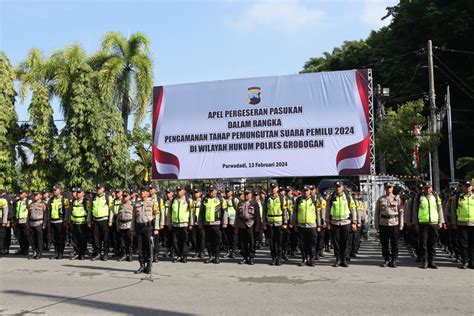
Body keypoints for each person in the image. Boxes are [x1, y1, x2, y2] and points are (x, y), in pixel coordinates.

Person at [325, 181, 358, 268]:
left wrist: (354, 222)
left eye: (339, 186)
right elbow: (327, 210)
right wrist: (327, 222)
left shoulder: (348, 197)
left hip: (345, 222)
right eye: (336, 187)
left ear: (343, 187)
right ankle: (337, 259)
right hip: (334, 222)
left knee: (345, 242)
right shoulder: (331, 197)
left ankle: (344, 260)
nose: (338, 188)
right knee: (336, 243)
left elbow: (353, 209)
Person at [412, 181, 444, 269]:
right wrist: (415, 223)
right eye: (425, 188)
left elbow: (439, 209)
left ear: (431, 188)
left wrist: (441, 221)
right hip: (423, 223)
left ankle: (432, 261)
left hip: (433, 222)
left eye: (429, 188)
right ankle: (425, 261)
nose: (427, 189)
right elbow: (415, 211)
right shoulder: (419, 197)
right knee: (423, 243)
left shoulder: (435, 196)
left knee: (433, 243)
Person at [374, 182, 404, 268]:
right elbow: (377, 212)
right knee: (384, 243)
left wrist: (401, 224)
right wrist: (377, 224)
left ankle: (393, 260)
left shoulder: (397, 199)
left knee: (394, 243)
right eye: (387, 187)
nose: (388, 189)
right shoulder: (380, 199)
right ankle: (386, 259)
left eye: (390, 187)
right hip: (383, 223)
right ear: (384, 188)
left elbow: (401, 212)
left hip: (394, 222)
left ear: (392, 188)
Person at [198, 185, 227, 264]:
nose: (210, 192)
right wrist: (200, 223)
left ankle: (217, 257)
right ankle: (210, 256)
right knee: (208, 241)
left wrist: (224, 223)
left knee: (217, 241)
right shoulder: (204, 199)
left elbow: (225, 212)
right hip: (207, 224)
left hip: (217, 224)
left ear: (216, 191)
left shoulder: (221, 199)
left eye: (212, 190)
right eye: (209, 190)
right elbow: (201, 212)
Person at [292, 185, 320, 267]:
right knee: (303, 244)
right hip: (301, 225)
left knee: (312, 243)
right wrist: (295, 224)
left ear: (310, 191)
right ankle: (304, 259)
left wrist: (319, 225)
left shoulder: (314, 200)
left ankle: (311, 260)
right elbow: (295, 212)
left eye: (307, 190)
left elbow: (318, 213)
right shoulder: (298, 200)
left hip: (312, 225)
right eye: (304, 191)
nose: (306, 192)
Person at [134, 186, 159, 274]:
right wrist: (132, 229)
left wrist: (156, 228)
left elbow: (156, 215)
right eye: (141, 191)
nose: (142, 193)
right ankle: (141, 265)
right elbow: (134, 217)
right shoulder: (137, 203)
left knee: (148, 247)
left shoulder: (152, 203)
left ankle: (148, 265)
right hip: (139, 227)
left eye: (144, 191)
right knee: (140, 247)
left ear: (148, 193)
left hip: (148, 227)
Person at [262, 182, 288, 266]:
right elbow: (264, 211)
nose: (273, 189)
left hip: (279, 222)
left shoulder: (281, 198)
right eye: (272, 188)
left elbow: (285, 211)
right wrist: (264, 223)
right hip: (270, 223)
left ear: (277, 188)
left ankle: (279, 259)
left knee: (279, 242)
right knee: (272, 242)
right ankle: (273, 258)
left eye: (274, 187)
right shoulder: (267, 198)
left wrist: (285, 222)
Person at [451, 180, 474, 269]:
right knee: (464, 244)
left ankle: (472, 261)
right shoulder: (457, 197)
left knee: (472, 244)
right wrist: (453, 222)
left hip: (473, 223)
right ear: (463, 187)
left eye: (469, 186)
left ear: (471, 187)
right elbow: (453, 211)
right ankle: (465, 261)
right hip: (462, 223)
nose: (467, 188)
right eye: (466, 186)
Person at [167, 186, 193, 263]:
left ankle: (184, 256)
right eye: (177, 190)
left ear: (184, 191)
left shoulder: (188, 200)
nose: (178, 192)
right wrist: (169, 223)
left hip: (184, 224)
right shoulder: (173, 201)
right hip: (175, 224)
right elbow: (169, 213)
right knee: (175, 241)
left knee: (184, 241)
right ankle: (178, 255)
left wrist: (191, 223)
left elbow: (192, 213)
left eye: (180, 190)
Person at [88, 184, 112, 261]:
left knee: (105, 238)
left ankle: (105, 253)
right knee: (96, 238)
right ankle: (97, 253)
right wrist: (89, 220)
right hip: (95, 220)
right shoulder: (94, 197)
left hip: (104, 220)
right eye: (97, 188)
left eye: (99, 188)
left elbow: (111, 209)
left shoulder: (108, 197)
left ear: (103, 189)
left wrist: (110, 220)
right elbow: (90, 209)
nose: (98, 190)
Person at [235, 190, 260, 265]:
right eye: (245, 194)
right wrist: (236, 227)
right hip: (242, 225)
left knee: (252, 242)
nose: (246, 195)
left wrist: (258, 227)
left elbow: (258, 216)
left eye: (247, 194)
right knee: (243, 242)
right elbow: (237, 216)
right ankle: (245, 257)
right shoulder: (240, 203)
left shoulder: (254, 203)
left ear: (251, 194)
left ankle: (251, 257)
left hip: (251, 225)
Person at [48, 184, 70, 260]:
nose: (54, 191)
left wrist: (66, 220)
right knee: (54, 238)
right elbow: (49, 210)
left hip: (60, 222)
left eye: (55, 190)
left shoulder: (64, 199)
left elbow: (67, 211)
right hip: (53, 221)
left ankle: (61, 253)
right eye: (53, 190)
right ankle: (56, 253)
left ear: (60, 190)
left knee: (61, 238)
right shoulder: (51, 199)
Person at [69, 188, 89, 260]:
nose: (77, 193)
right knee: (75, 240)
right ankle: (77, 253)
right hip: (74, 223)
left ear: (83, 193)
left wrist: (88, 221)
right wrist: (70, 221)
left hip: (82, 223)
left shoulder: (85, 201)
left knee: (82, 240)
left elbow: (88, 211)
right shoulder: (74, 201)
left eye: (79, 192)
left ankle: (82, 254)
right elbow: (71, 211)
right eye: (77, 192)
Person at [27, 192, 47, 260]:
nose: (35, 196)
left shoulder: (43, 204)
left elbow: (46, 214)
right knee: (33, 239)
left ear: (40, 196)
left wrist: (44, 223)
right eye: (34, 195)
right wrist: (28, 223)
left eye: (36, 195)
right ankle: (34, 251)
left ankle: (39, 253)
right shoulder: (31, 204)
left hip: (39, 223)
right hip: (32, 223)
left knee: (39, 239)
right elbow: (28, 215)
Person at [116, 191, 134, 262]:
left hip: (129, 224)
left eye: (126, 196)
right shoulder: (121, 205)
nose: (124, 197)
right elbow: (118, 216)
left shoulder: (132, 205)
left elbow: (134, 216)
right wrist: (117, 225)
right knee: (122, 241)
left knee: (129, 241)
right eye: (123, 196)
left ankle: (130, 255)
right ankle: (124, 254)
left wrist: (133, 227)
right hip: (121, 225)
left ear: (129, 197)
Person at [13, 189, 31, 255]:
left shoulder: (29, 201)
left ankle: (26, 250)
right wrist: (14, 220)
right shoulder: (17, 202)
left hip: (25, 221)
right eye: (20, 193)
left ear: (26, 194)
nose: (20, 194)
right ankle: (22, 249)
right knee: (19, 236)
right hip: (18, 221)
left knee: (25, 236)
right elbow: (14, 211)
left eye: (22, 193)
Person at [223, 188, 239, 258]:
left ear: (231, 192)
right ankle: (228, 251)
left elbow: (238, 210)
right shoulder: (223, 200)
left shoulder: (235, 200)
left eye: (228, 192)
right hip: (225, 221)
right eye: (226, 192)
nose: (227, 193)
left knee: (234, 237)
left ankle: (234, 251)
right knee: (226, 238)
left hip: (233, 221)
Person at [190, 188, 205, 258]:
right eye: (194, 192)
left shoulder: (203, 201)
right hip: (193, 222)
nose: (195, 193)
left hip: (200, 223)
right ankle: (196, 251)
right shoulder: (191, 202)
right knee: (194, 238)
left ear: (200, 193)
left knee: (201, 238)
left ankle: (202, 251)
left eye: (197, 192)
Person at [0, 189, 10, 256]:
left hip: (1, 220)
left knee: (1, 236)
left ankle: (1, 250)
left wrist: (4, 221)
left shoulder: (3, 200)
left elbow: (5, 211)